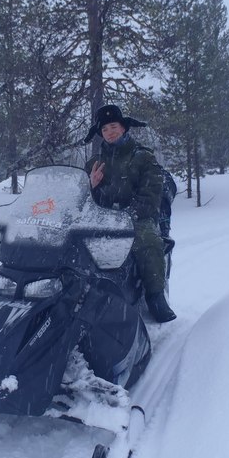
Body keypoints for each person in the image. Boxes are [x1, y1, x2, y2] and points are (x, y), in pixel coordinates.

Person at [83, 104, 177, 323]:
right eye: (105, 129)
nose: (110, 132)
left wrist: (127, 215)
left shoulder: (143, 158)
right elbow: (80, 196)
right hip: (102, 217)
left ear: (123, 128)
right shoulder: (95, 163)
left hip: (137, 217)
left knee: (148, 242)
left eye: (113, 126)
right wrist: (91, 185)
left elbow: (151, 196)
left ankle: (155, 296)